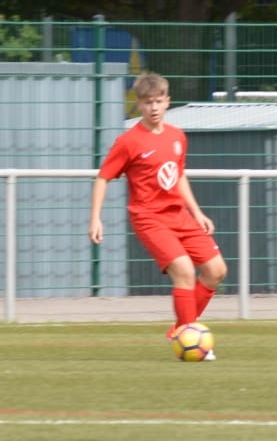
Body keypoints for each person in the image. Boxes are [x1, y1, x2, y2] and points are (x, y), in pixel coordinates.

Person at [89, 72, 228, 357]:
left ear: (167, 102)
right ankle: (189, 337)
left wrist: (197, 212)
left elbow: (178, 175)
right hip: (149, 219)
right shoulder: (129, 142)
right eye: (147, 102)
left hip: (180, 216)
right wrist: (95, 218)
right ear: (139, 104)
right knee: (184, 271)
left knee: (216, 271)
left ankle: (181, 328)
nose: (153, 107)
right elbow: (103, 177)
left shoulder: (177, 137)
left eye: (158, 101)